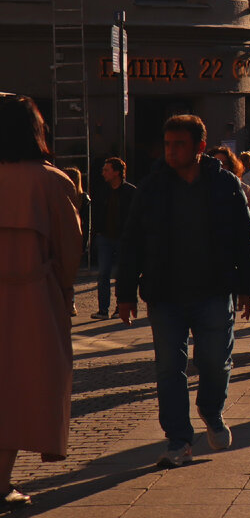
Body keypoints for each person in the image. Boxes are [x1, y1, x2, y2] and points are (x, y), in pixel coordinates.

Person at [117, 115, 250, 468]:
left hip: (213, 290)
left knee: (213, 360)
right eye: (167, 144)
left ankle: (211, 410)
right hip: (165, 294)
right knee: (169, 367)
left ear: (198, 147)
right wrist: (125, 292)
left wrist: (248, 286)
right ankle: (179, 440)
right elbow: (131, 241)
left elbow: (245, 236)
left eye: (179, 144)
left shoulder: (225, 185)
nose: (171, 150)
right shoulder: (152, 188)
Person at [0, 96, 84, 508]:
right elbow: (71, 249)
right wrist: (64, 291)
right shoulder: (52, 181)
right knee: (24, 386)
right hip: (33, 297)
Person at [91, 157, 136, 320]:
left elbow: (135, 216)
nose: (103, 173)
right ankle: (103, 309)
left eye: (106, 170)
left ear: (116, 172)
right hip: (105, 237)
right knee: (103, 273)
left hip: (123, 239)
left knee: (121, 273)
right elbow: (96, 214)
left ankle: (120, 307)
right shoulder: (102, 191)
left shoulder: (131, 192)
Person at [61, 167, 89, 318]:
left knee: (69, 273)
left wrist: (84, 244)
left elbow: (86, 222)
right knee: (68, 273)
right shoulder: (66, 196)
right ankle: (68, 302)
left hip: (70, 239)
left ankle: (70, 302)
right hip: (69, 239)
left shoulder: (82, 198)